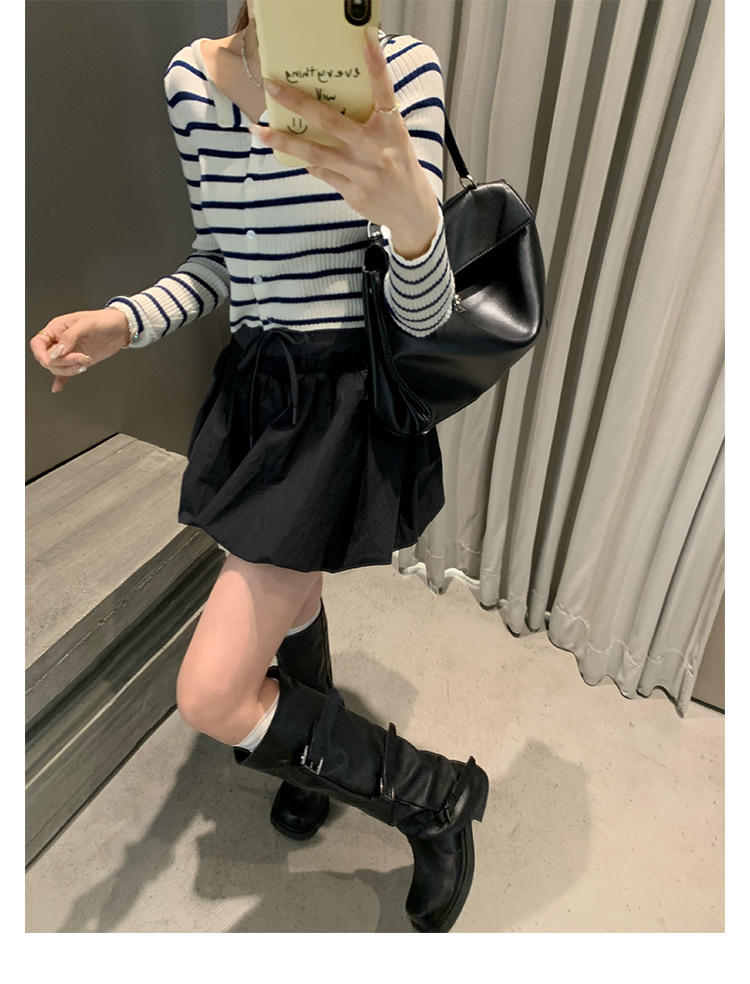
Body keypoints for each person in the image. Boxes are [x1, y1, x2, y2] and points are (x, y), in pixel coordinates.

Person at [29, 1, 488, 933]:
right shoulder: (190, 79)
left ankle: (434, 796)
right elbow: (218, 262)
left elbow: (425, 317)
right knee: (294, 595)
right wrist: (121, 323)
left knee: (210, 692)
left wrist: (412, 220)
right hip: (257, 388)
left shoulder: (401, 69)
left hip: (341, 398)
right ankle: (311, 761)